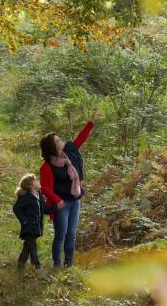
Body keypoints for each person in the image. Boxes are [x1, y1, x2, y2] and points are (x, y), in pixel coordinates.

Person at [39, 111, 100, 267]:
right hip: (62, 205)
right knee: (61, 235)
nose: (61, 141)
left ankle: (68, 264)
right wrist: (57, 200)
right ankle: (57, 265)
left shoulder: (70, 153)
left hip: (74, 201)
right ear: (53, 146)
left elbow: (81, 138)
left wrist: (91, 121)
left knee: (71, 235)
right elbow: (45, 188)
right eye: (58, 140)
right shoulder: (47, 166)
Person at [12, 173, 56, 270]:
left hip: (37, 226)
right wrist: (24, 221)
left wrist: (57, 207)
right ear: (31, 184)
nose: (39, 181)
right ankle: (37, 265)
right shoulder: (25, 196)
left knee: (27, 247)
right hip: (29, 226)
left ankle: (20, 265)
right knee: (32, 246)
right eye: (36, 180)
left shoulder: (39, 195)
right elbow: (16, 208)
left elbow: (44, 209)